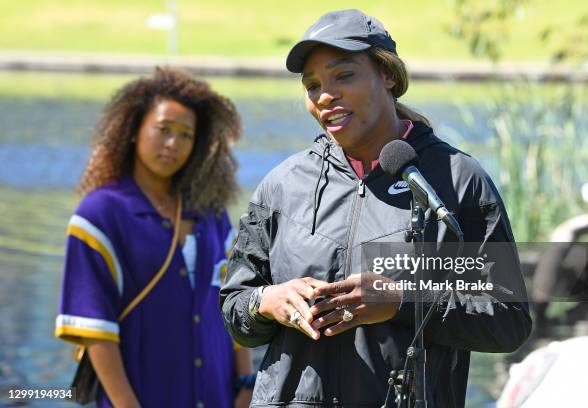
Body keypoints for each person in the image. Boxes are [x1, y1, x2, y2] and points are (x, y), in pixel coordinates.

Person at [220, 9, 532, 408]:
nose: (325, 95)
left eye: (344, 75)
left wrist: (403, 301)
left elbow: (507, 321)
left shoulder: (456, 182)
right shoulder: (281, 186)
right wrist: (266, 301)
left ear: (388, 75)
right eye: (312, 85)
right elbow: (235, 310)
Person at [55, 68, 253, 408]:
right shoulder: (99, 214)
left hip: (218, 396)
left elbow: (232, 303)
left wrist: (245, 386)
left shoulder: (211, 213)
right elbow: (95, 330)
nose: (173, 144)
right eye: (163, 130)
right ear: (134, 131)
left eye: (186, 135)